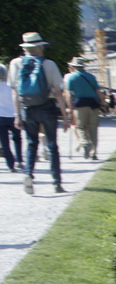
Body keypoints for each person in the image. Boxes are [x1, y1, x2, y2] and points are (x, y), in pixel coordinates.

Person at [9, 31, 68, 194]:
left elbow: (15, 92)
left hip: (27, 108)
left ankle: (28, 173)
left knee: (31, 143)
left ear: (25, 48)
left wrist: (17, 115)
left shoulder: (15, 64)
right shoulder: (49, 64)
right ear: (40, 47)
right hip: (47, 107)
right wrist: (65, 116)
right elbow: (58, 92)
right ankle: (57, 182)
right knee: (52, 145)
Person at [63, 56, 104, 160]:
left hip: (80, 104)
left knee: (80, 127)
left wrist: (70, 108)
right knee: (93, 129)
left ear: (73, 66)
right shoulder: (91, 77)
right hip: (93, 104)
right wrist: (103, 103)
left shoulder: (71, 78)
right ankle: (94, 153)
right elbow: (98, 92)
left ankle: (84, 142)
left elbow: (68, 94)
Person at [0, 65, 21, 172]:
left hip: (1, 117)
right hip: (13, 116)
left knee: (5, 142)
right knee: (17, 138)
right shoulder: (11, 86)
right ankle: (20, 160)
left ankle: (10, 164)